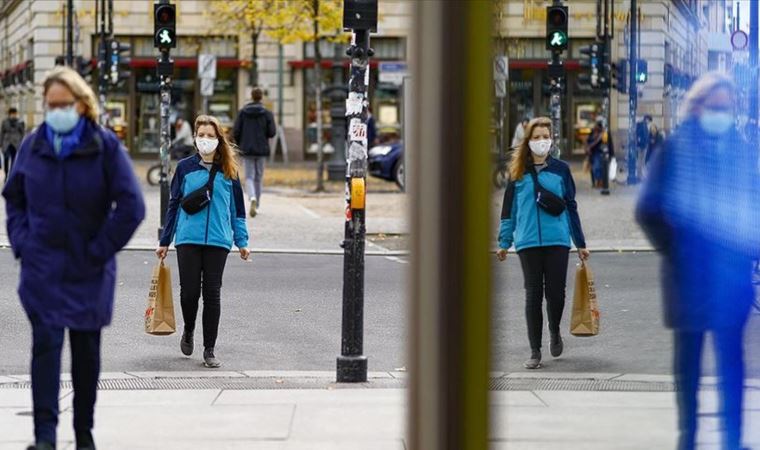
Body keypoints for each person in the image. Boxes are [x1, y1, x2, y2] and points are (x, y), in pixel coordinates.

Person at [2, 66, 145, 450]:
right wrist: (22, 243)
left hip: (88, 269)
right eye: (50, 105)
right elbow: (13, 197)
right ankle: (44, 437)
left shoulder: (104, 146)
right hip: (42, 268)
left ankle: (84, 434)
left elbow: (132, 206)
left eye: (63, 104)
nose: (56, 112)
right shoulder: (33, 145)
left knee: (86, 354)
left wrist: (99, 249)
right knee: (45, 349)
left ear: (82, 105)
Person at [636, 72, 757, 450]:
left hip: (731, 278)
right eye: (715, 106)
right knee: (687, 367)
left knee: (731, 365)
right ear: (698, 106)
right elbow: (647, 209)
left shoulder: (743, 150)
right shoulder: (674, 149)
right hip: (687, 277)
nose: (722, 113)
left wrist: (749, 253)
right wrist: (677, 249)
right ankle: (686, 438)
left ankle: (732, 440)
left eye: (727, 107)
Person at [157, 114, 250, 369]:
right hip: (188, 238)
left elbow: (237, 211)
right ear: (195, 138)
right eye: (201, 135)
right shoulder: (185, 167)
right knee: (189, 293)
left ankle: (209, 349)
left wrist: (242, 241)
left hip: (219, 241)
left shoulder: (229, 171)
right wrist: (165, 240)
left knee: (212, 293)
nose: (205, 140)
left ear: (219, 139)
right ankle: (188, 329)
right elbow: (174, 204)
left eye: (210, 136)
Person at [496, 117, 590, 370]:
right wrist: (504, 241)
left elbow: (570, 206)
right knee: (533, 295)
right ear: (528, 141)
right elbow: (509, 211)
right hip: (527, 242)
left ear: (551, 139)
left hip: (557, 239)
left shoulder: (560, 169)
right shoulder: (517, 173)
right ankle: (535, 350)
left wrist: (579, 242)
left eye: (545, 137)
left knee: (556, 294)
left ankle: (554, 330)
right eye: (536, 137)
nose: (541, 141)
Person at [233, 87, 276, 218]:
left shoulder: (242, 113)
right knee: (258, 177)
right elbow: (272, 132)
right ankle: (256, 204)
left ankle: (252, 197)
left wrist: (241, 143)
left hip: (246, 149)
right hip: (262, 150)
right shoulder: (267, 113)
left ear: (251, 97)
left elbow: (236, 131)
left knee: (249, 177)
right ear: (261, 97)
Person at [0, 106, 25, 182]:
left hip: (16, 143)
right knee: (6, 159)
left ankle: (11, 175)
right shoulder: (5, 122)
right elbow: (2, 133)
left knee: (14, 159)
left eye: (14, 113)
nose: (13, 115)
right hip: (6, 143)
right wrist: (0, 143)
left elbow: (22, 132)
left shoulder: (20, 122)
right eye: (12, 114)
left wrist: (21, 141)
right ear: (9, 114)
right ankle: (6, 173)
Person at [586, 119, 605, 188]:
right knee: (592, 169)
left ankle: (599, 182)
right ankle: (594, 183)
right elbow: (587, 141)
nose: (595, 126)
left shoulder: (601, 134)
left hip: (598, 153)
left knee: (596, 167)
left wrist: (590, 147)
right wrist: (587, 149)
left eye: (596, 125)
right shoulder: (592, 133)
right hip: (592, 153)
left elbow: (599, 143)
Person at [635, 114, 652, 179]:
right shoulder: (641, 124)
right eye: (649, 120)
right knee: (640, 161)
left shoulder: (643, 124)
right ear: (646, 119)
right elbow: (639, 135)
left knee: (641, 161)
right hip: (642, 146)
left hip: (643, 145)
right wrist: (643, 144)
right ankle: (639, 175)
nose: (649, 122)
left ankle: (640, 175)